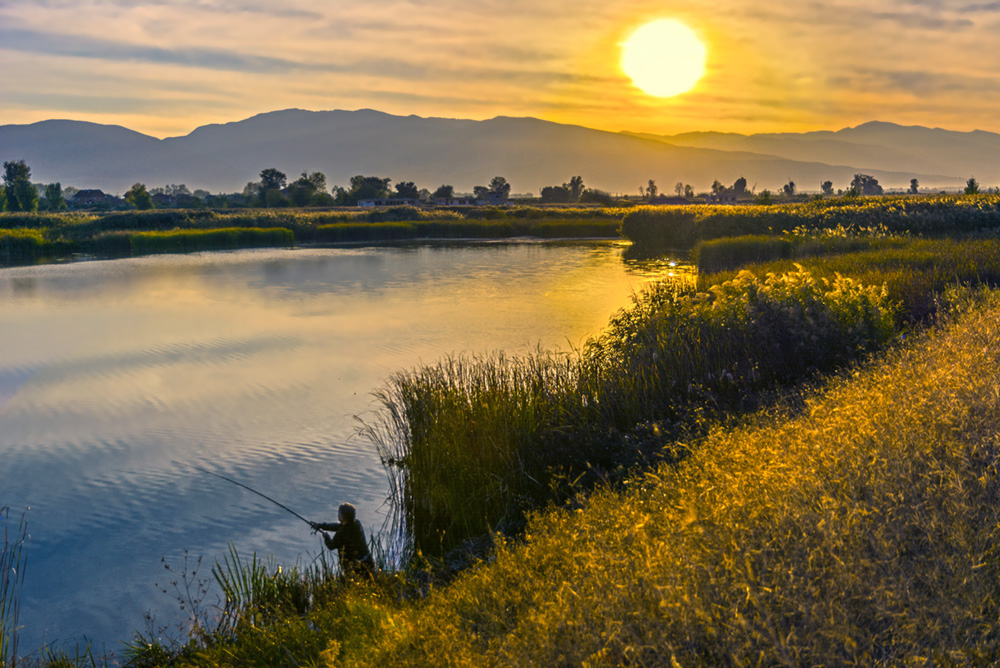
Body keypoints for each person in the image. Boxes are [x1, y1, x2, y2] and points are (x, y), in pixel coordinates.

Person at [310, 503, 375, 577]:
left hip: (355, 568)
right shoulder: (357, 523)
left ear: (342, 517)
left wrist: (326, 537)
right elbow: (338, 526)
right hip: (368, 562)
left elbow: (331, 546)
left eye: (339, 513)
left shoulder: (341, 533)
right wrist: (320, 526)